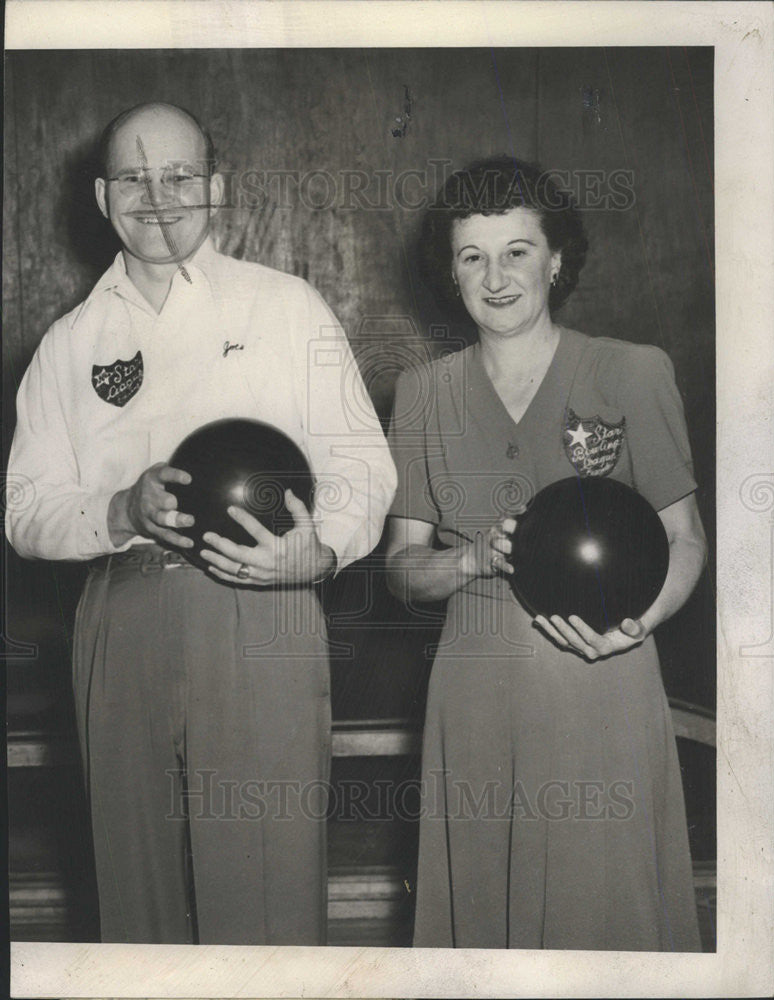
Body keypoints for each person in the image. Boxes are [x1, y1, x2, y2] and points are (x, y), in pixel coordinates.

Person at [6, 102, 397, 945]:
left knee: (268, 877)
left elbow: (364, 463)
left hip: (264, 606)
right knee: (130, 882)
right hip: (122, 611)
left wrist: (318, 552)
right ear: (104, 198)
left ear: (215, 189)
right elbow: (25, 507)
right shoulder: (69, 343)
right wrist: (116, 508)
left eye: (180, 175)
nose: (159, 196)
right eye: (135, 180)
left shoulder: (285, 307)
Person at [385, 156, 706, 951]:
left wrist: (637, 625)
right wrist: (468, 563)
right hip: (474, 697)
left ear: (556, 260)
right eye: (472, 256)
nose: (495, 276)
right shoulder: (423, 393)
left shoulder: (631, 371)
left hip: (604, 676)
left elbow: (685, 539)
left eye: (517, 251)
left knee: (606, 922)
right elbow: (400, 567)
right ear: (450, 273)